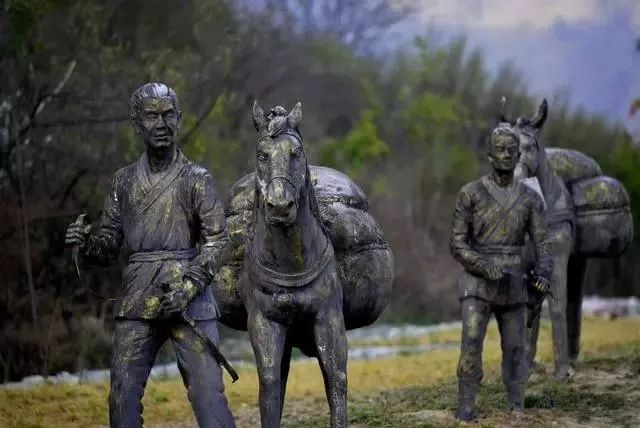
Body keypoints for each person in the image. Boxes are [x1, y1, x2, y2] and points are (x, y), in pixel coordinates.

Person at [65, 82, 236, 428]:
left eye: (168, 114)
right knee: (122, 396)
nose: (161, 123)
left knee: (209, 398)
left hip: (189, 298)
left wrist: (189, 287)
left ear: (179, 118)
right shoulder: (123, 182)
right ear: (137, 123)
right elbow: (110, 245)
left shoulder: (196, 179)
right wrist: (86, 244)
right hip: (138, 297)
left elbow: (219, 241)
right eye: (151, 116)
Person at [449, 122, 553, 421]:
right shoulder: (470, 194)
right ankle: (466, 407)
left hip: (515, 284)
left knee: (517, 348)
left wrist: (544, 274)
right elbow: (457, 243)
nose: (506, 155)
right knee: (470, 345)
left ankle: (516, 406)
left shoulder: (530, 199)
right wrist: (483, 265)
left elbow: (544, 242)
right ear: (490, 155)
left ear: (519, 154)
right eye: (500, 150)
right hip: (477, 285)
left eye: (511, 150)